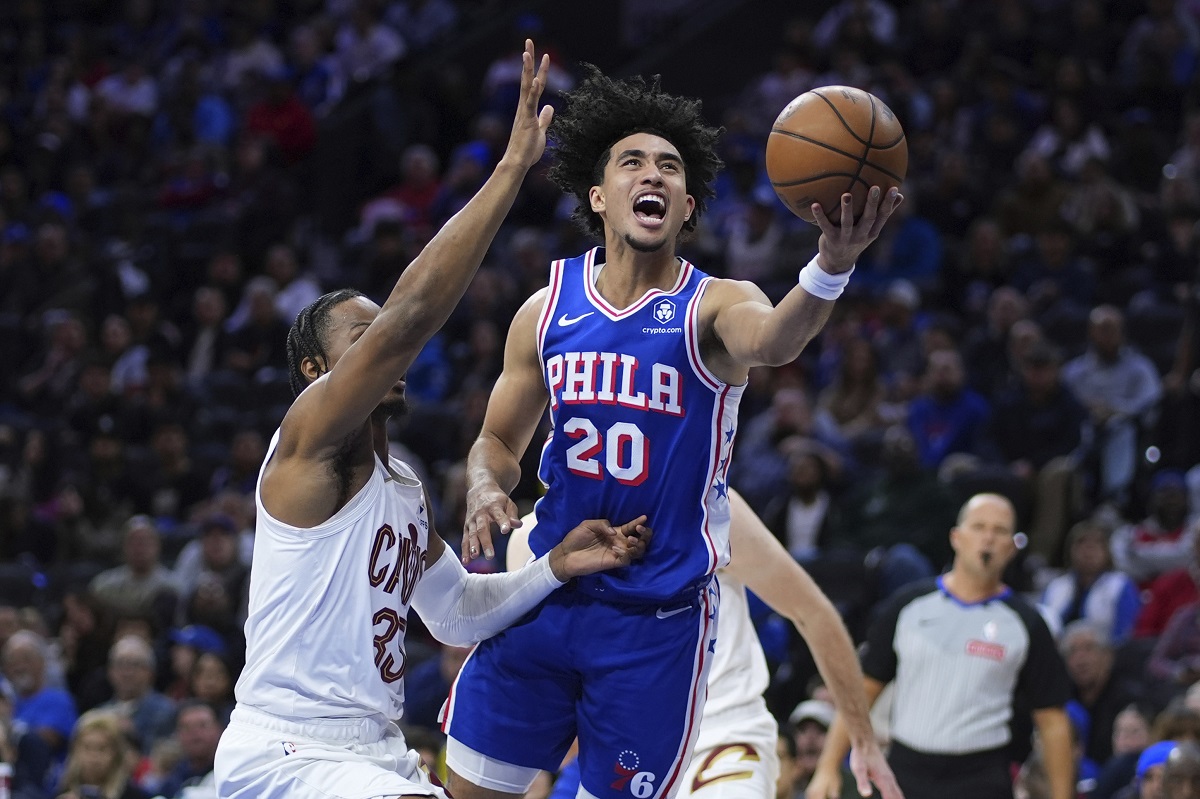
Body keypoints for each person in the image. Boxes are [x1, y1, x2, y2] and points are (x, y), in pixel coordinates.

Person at [447, 62, 901, 799]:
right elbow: (498, 443)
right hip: (546, 593)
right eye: (633, 161)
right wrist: (479, 485)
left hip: (651, 627)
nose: (652, 174)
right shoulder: (546, 309)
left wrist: (829, 267)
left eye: (670, 167)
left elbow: (777, 340)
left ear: (687, 206)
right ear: (599, 196)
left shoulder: (715, 305)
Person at [211, 42, 650, 799]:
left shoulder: (402, 484)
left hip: (372, 749)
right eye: (364, 337)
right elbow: (413, 315)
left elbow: (454, 614)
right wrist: (513, 168)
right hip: (284, 745)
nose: (387, 347)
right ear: (318, 372)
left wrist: (552, 566)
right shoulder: (307, 440)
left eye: (380, 335)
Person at [504, 490, 900, 799]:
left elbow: (811, 612)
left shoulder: (704, 501)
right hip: (619, 755)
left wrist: (862, 739)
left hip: (722, 738)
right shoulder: (528, 538)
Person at [809, 493, 1075, 799]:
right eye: (978, 527)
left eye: (1000, 530)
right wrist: (827, 767)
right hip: (905, 769)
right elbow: (862, 691)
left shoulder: (1026, 623)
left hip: (981, 776)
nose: (987, 538)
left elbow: (1052, 722)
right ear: (956, 537)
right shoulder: (908, 607)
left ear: (1012, 546)